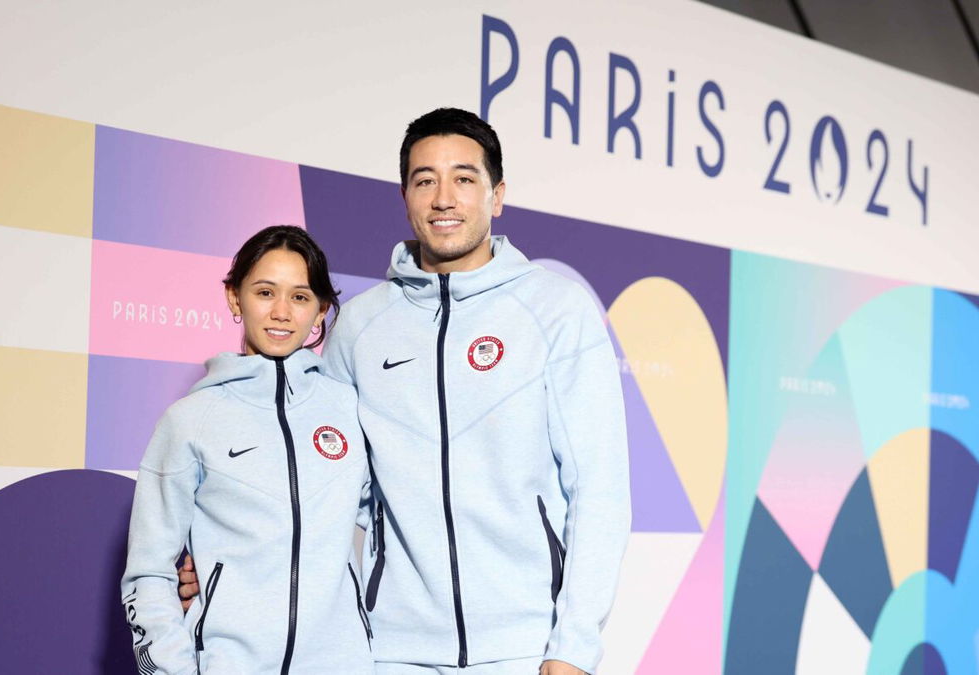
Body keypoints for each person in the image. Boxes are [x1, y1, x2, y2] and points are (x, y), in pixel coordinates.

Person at [183, 109, 631, 674]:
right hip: (389, 651)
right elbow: (326, 485)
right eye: (425, 180)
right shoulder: (361, 327)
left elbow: (600, 490)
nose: (444, 197)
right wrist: (225, 554)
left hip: (526, 649)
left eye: (464, 178)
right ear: (405, 196)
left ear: (497, 195)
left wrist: (573, 648)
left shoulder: (556, 311)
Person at [122, 226, 374, 674]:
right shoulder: (190, 419)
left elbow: (397, 530)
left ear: (321, 312)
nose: (280, 312)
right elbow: (148, 572)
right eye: (264, 292)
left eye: (299, 297)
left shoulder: (350, 410)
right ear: (235, 299)